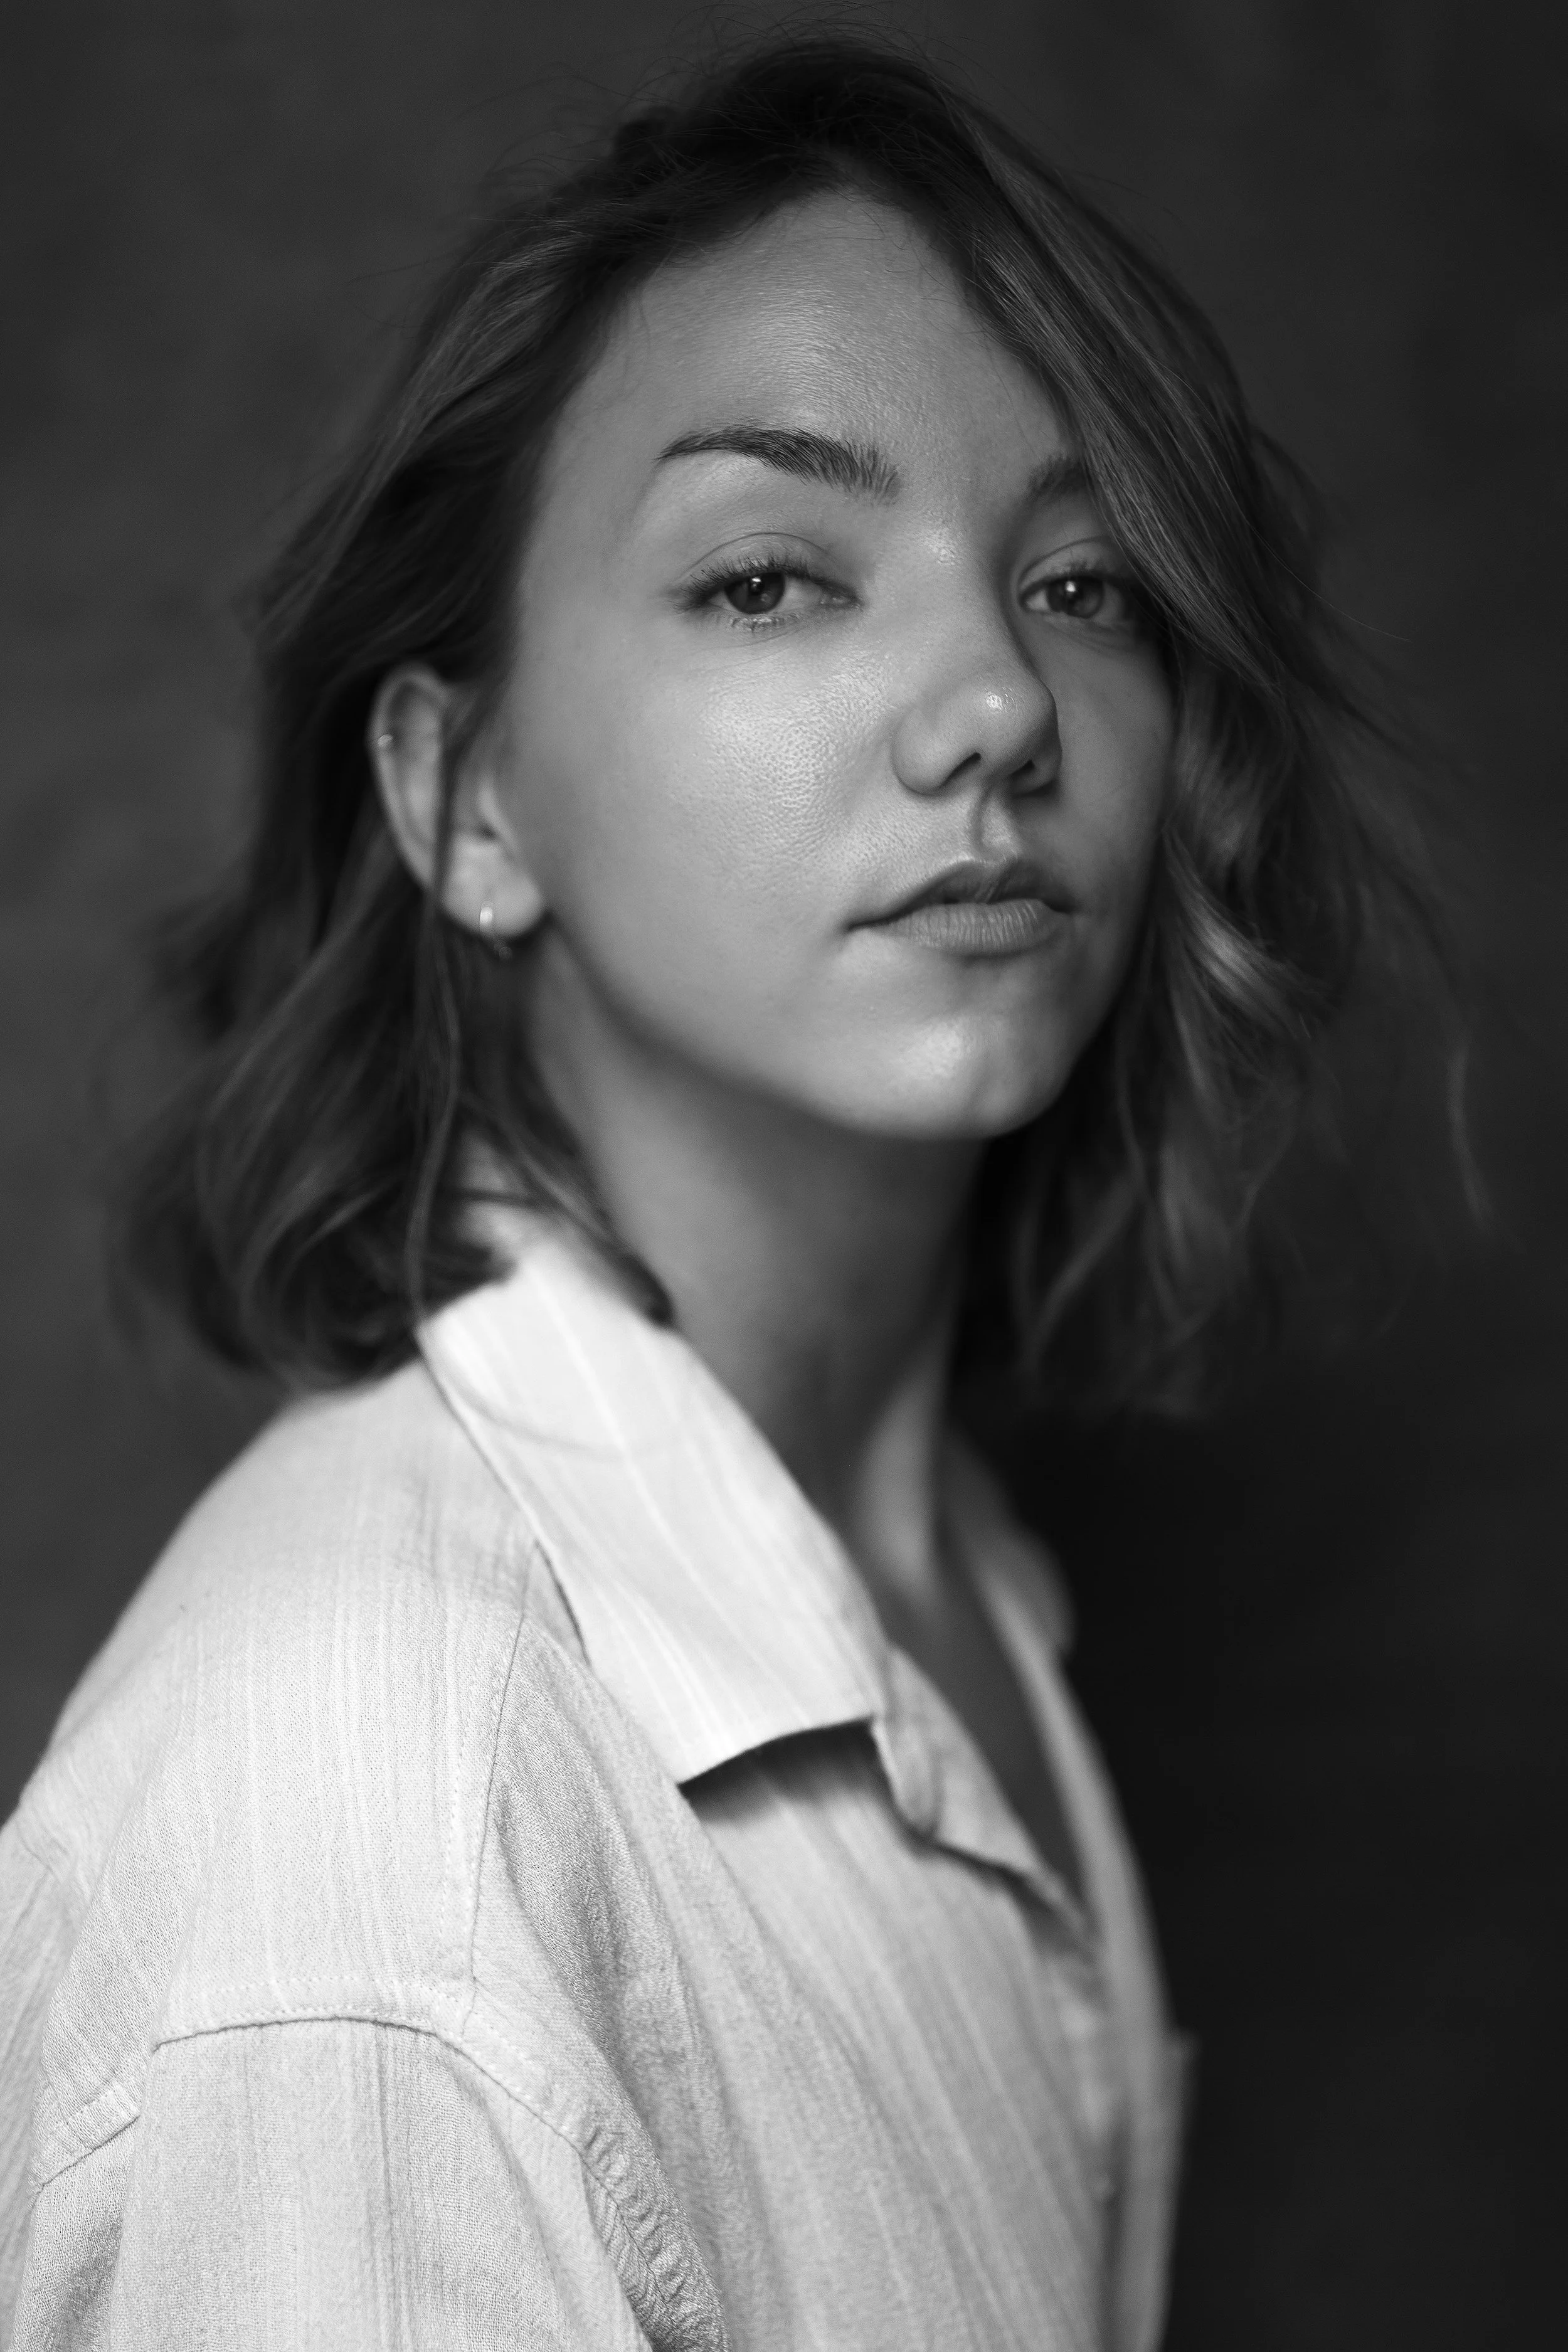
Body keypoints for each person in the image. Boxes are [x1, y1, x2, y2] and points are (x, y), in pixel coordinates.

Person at [0, 36, 1428, 2351]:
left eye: (1081, 582)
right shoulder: (372, 1834)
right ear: (467, 798)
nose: (995, 704)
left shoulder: (949, 1587)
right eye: (770, 579)